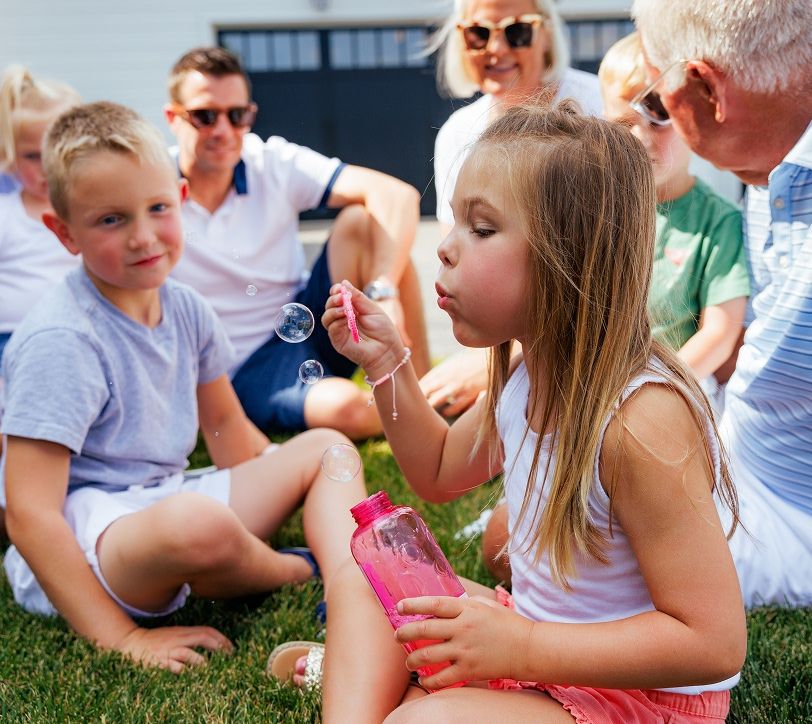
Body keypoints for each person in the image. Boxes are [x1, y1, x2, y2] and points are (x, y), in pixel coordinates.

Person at [277, 103, 746, 721]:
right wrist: (390, 364)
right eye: (453, 224)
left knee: (425, 719)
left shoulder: (639, 421)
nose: (444, 250)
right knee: (366, 577)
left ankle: (387, 685)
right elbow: (439, 471)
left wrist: (521, 648)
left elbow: (713, 642)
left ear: (569, 258)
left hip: (634, 698)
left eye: (481, 228)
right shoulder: (528, 377)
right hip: (533, 646)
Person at [0, 101, 366, 672]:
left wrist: (280, 475)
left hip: (169, 496)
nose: (143, 237)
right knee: (198, 523)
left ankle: (349, 584)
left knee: (325, 447)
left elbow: (226, 429)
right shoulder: (62, 339)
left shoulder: (185, 307)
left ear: (182, 202)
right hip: (93, 535)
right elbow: (28, 514)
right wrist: (122, 638)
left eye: (157, 209)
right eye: (110, 220)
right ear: (64, 232)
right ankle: (296, 569)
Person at [473, 31, 753, 586]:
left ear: (689, 119)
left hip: (677, 393)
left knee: (651, 511)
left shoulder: (714, 220)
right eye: (625, 123)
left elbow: (721, 332)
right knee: (501, 541)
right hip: (584, 383)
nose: (643, 137)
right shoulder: (596, 213)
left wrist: (654, 385)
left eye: (658, 119)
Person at [632, 0, 812, 608]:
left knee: (542, 542)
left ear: (708, 88)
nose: (648, 121)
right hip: (736, 456)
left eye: (655, 102)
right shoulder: (773, 162)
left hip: (791, 516)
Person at [164, 47, 429, 441]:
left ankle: (421, 381)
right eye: (205, 116)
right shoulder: (153, 189)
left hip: (306, 321)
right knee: (347, 411)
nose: (223, 130)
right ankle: (430, 401)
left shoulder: (269, 160)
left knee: (365, 222)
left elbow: (397, 195)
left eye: (237, 116)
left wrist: (383, 288)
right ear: (174, 118)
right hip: (242, 368)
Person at [420, 0, 603, 416]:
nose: (495, 49)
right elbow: (467, 269)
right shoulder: (457, 134)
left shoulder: (599, 108)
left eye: (516, 31)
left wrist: (491, 370)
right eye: (478, 34)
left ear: (547, 34)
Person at [0, 65, 80, 538]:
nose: (48, 168)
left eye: (59, 153)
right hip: (11, 347)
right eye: (33, 156)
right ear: (8, 159)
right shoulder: (8, 214)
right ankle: (19, 510)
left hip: (78, 343)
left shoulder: (89, 209)